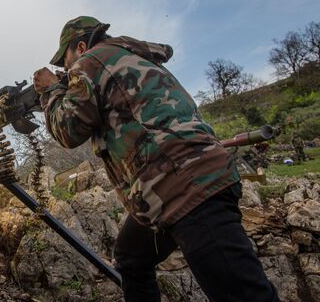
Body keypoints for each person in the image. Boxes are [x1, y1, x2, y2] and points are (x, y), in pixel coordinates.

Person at [33, 16, 279, 302]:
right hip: (169, 187)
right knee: (131, 258)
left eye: (65, 60)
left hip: (186, 187)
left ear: (81, 45)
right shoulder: (127, 57)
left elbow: (68, 130)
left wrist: (51, 90)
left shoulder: (90, 61)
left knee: (246, 296)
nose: (65, 68)